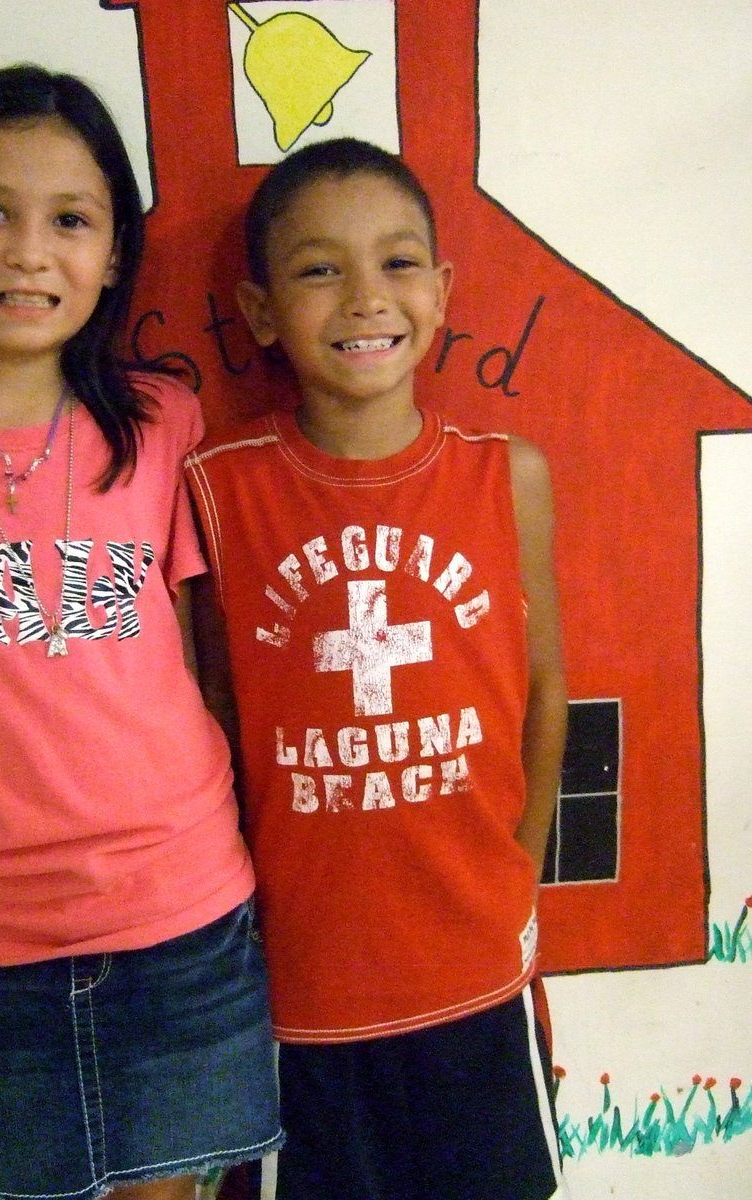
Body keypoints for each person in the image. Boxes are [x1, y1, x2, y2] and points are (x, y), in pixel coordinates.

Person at [0, 65, 283, 1200]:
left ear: (112, 253)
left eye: (72, 220)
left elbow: (201, 648)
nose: (30, 251)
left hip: (181, 919)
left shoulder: (158, 425)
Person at [186, 137, 570, 1200]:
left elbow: (544, 691)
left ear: (442, 292)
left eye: (398, 263)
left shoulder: (508, 477)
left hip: (476, 972)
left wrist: (518, 871)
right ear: (263, 312)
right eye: (319, 269)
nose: (365, 296)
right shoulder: (220, 493)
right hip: (299, 989)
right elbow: (213, 715)